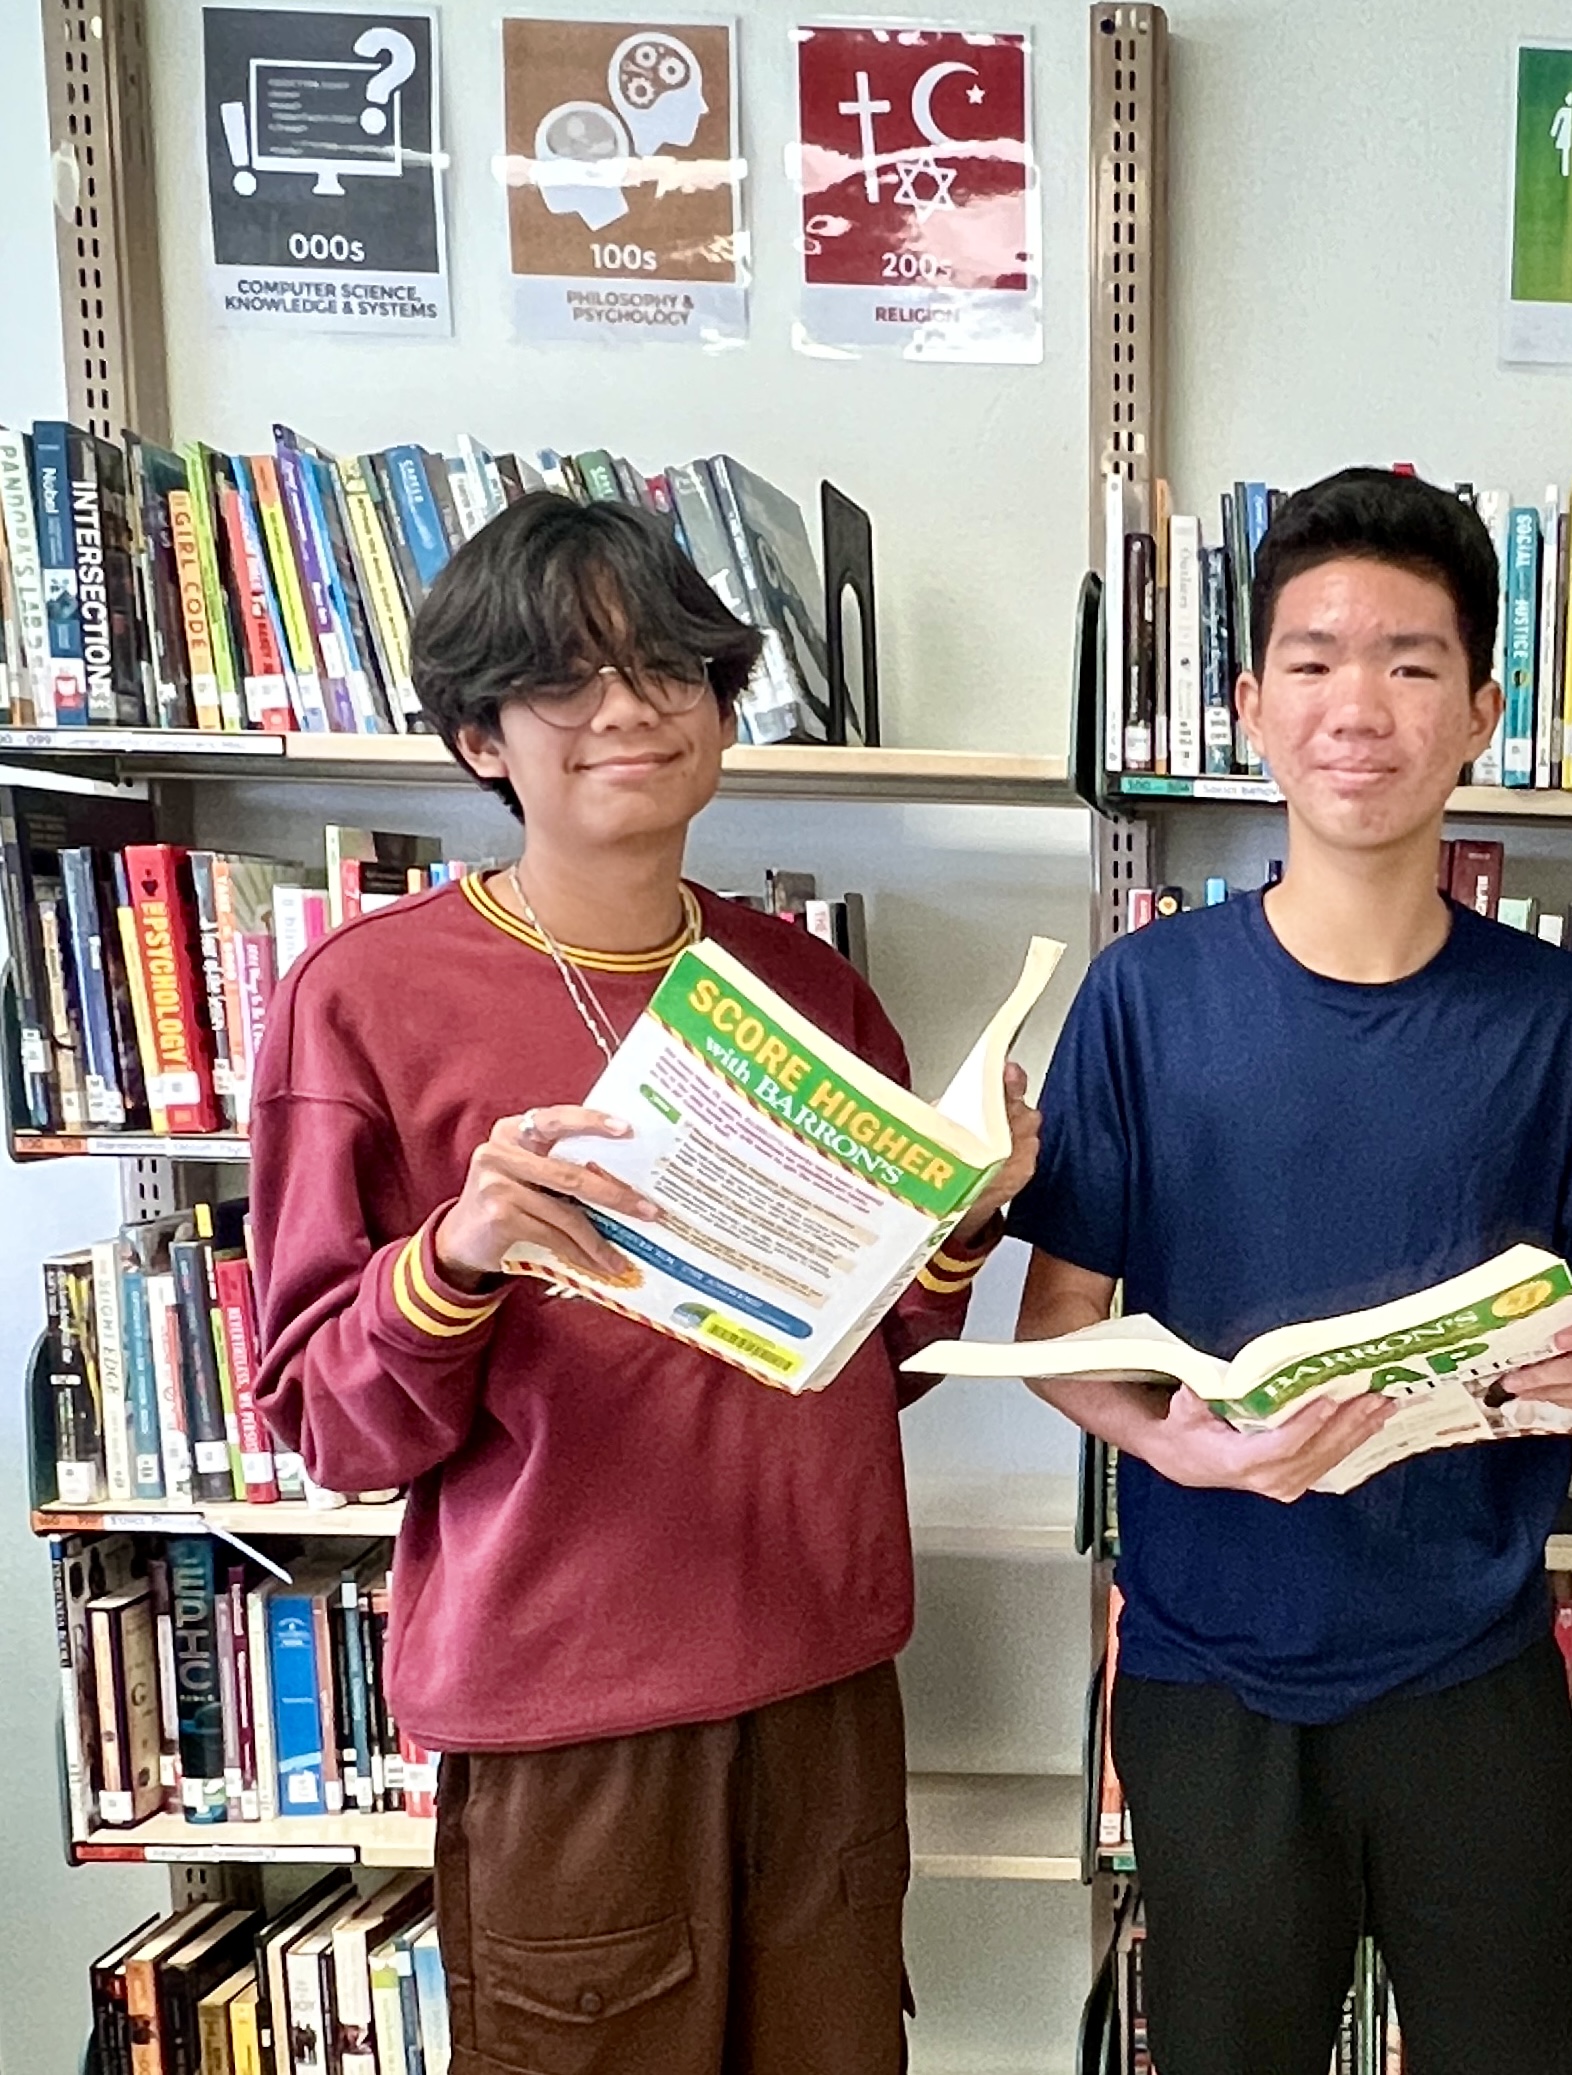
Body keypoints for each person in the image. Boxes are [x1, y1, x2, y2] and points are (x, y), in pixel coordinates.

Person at [249, 494, 1038, 2075]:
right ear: (481, 737)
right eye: (568, 681)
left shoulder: (809, 988)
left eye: (672, 669)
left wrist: (962, 1214)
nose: (630, 710)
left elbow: (869, 1357)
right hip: (567, 1701)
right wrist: (454, 1255)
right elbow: (323, 1428)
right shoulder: (370, 1001)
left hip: (820, 1674)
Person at [1010, 468, 1572, 2075]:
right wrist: (1173, 1440)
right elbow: (1058, 1335)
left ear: (1480, 711)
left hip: (1481, 1671)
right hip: (1209, 1668)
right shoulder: (1144, 996)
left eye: (1409, 662)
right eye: (1312, 661)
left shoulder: (1558, 1014)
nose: (1357, 705)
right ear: (1250, 706)